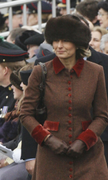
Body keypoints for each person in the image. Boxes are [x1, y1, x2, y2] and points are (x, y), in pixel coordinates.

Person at [20, 15, 108, 179]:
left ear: (77, 42)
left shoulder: (96, 72)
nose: (59, 46)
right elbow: (25, 113)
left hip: (89, 158)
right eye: (55, 41)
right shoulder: (40, 71)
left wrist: (84, 140)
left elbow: (102, 115)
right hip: (51, 158)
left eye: (65, 41)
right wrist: (47, 139)